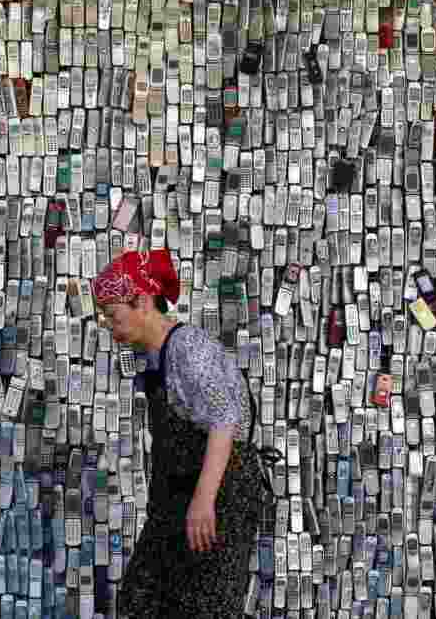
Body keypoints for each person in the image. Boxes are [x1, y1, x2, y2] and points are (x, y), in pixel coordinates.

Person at [92, 248, 274, 619]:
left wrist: (204, 501)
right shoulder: (156, 357)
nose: (110, 326)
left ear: (141, 301)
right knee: (142, 601)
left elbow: (226, 420)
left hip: (216, 501)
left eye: (113, 316)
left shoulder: (188, 348)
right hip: (176, 504)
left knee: (204, 608)